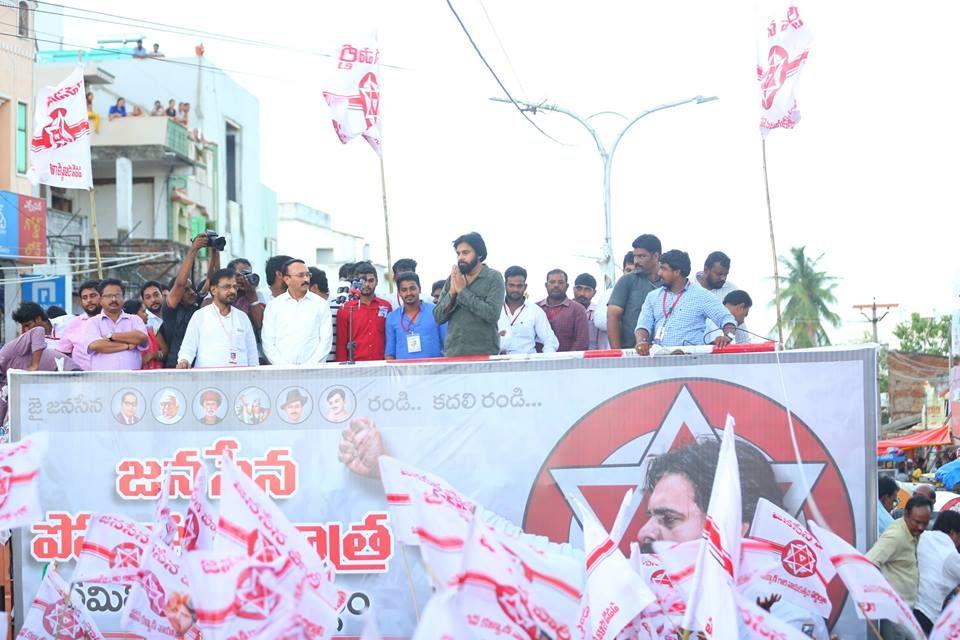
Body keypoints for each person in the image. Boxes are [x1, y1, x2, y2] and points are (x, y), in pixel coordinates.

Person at [637, 438, 827, 638]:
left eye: (668, 518)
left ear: (733, 530)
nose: (644, 532)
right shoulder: (654, 607)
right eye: (650, 516)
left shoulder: (783, 619)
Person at [634, 250, 738, 354]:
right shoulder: (653, 296)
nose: (659, 273)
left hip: (692, 362)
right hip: (660, 360)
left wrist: (728, 337)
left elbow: (727, 319)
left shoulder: (701, 295)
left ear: (677, 272)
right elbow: (643, 325)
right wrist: (641, 342)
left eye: (663, 269)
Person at [867, 495, 933, 639]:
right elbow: (870, 562)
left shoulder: (913, 531)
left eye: (925, 523)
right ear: (906, 515)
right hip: (895, 613)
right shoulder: (896, 536)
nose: (921, 527)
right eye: (917, 522)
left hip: (909, 611)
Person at [433, 232, 505, 357]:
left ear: (479, 254)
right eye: (458, 253)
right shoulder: (453, 278)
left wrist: (462, 291)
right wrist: (452, 293)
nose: (461, 257)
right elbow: (438, 317)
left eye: (466, 253)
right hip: (454, 354)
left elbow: (492, 314)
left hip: (484, 355)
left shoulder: (494, 277)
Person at [177, 268, 258, 369]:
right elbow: (188, 347)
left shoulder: (242, 317)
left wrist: (254, 373)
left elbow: (252, 352)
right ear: (214, 290)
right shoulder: (200, 316)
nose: (232, 291)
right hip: (207, 380)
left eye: (234, 287)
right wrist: (184, 360)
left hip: (240, 379)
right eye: (227, 287)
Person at [160, 234, 218, 368]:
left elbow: (212, 280)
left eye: (192, 288)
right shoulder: (170, 309)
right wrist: (192, 251)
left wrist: (215, 251)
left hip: (199, 364)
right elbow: (180, 284)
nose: (192, 292)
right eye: (186, 290)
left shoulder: (196, 303)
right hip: (177, 365)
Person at [262, 259, 333, 366]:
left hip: (314, 371)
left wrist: (311, 365)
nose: (306, 279)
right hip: (282, 372)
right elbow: (268, 342)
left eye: (308, 275)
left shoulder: (321, 304)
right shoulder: (274, 306)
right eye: (300, 275)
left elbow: (325, 340)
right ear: (287, 279)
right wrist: (284, 367)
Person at [607, 235, 662, 349]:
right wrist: (617, 354)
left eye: (641, 256)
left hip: (664, 352)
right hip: (632, 352)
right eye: (635, 256)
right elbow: (612, 316)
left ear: (656, 256)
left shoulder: (669, 281)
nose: (636, 261)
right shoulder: (627, 280)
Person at [85, 280, 149, 371]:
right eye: (109, 296)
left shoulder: (135, 319)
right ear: (100, 300)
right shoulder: (93, 322)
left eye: (117, 295)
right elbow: (95, 345)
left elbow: (141, 338)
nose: (114, 299)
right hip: (102, 380)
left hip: (132, 380)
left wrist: (111, 336)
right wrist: (127, 345)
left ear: (123, 298)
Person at [335, 262, 392, 362]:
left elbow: (390, 339)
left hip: (381, 365)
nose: (366, 284)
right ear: (356, 282)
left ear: (377, 281)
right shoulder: (346, 309)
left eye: (370, 281)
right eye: (363, 281)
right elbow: (341, 344)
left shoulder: (386, 306)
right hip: (355, 367)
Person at [916, 510, 960, 632]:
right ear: (953, 533)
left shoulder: (922, 537)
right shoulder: (951, 555)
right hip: (928, 613)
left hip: (909, 606)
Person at [385, 272, 446, 360]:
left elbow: (447, 344)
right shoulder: (392, 317)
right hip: (404, 372)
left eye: (412, 288)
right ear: (399, 293)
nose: (409, 293)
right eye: (404, 290)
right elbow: (390, 353)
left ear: (419, 289)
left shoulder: (436, 311)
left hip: (433, 370)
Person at [498, 266, 558, 355]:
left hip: (527, 364)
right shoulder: (494, 309)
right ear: (504, 285)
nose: (515, 289)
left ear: (525, 287)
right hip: (498, 364)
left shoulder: (535, 311)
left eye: (519, 286)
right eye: (511, 285)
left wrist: (546, 359)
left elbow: (550, 340)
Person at [592, 251, 637, 350]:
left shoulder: (649, 293)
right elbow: (600, 321)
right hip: (613, 353)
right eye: (628, 270)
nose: (631, 275)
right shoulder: (609, 293)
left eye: (635, 271)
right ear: (623, 271)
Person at [538, 270, 591, 352]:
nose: (556, 285)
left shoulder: (578, 310)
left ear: (567, 286)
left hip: (568, 362)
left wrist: (566, 361)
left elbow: (582, 342)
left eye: (560, 282)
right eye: (552, 282)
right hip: (538, 362)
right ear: (546, 285)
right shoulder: (536, 308)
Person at [56, 280, 101, 370]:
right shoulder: (74, 323)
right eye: (84, 297)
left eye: (93, 296)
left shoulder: (113, 320)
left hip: (111, 377)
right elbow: (62, 354)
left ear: (103, 296)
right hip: (81, 379)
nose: (89, 300)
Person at [122, 300, 166, 370]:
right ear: (134, 316)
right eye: (143, 311)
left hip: (154, 376)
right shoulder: (123, 335)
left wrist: (152, 355)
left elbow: (165, 351)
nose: (147, 314)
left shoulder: (152, 330)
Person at [573, 273, 601, 350]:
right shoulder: (565, 310)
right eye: (579, 289)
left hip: (592, 358)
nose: (582, 293)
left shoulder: (598, 312)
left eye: (587, 289)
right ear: (574, 290)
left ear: (594, 293)